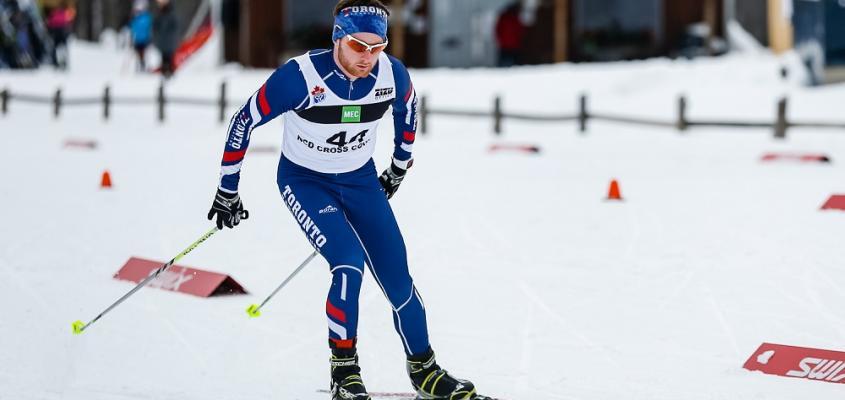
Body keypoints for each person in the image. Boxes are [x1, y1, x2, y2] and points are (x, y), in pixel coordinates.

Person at [207, 1, 491, 399]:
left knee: (398, 279)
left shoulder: (391, 73)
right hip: (305, 182)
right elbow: (244, 120)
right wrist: (227, 189)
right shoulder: (301, 77)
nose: (369, 57)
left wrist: (398, 165)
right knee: (348, 263)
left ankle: (425, 371)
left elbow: (407, 110)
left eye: (378, 47)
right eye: (359, 46)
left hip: (359, 181)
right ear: (338, 37)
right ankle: (344, 374)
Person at [44, 0, 73, 69]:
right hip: (57, 30)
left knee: (61, 47)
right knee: (56, 47)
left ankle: (62, 61)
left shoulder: (63, 11)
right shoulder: (55, 12)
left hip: (60, 30)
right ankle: (56, 62)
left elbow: (68, 20)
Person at [494, 2, 524, 67]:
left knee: (514, 64)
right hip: (507, 45)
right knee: (504, 63)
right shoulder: (506, 18)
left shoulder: (514, 18)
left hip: (511, 45)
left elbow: (520, 30)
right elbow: (498, 30)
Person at [152, 0, 178, 77]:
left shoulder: (170, 15)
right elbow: (155, 27)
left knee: (168, 57)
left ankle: (169, 71)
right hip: (163, 41)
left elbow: (174, 27)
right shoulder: (159, 15)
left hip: (168, 41)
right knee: (164, 57)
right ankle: (166, 71)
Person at [129, 1, 152, 71]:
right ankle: (140, 65)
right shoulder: (135, 18)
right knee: (138, 54)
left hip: (145, 39)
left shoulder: (146, 17)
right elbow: (132, 27)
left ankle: (143, 65)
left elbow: (148, 27)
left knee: (143, 53)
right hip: (137, 39)